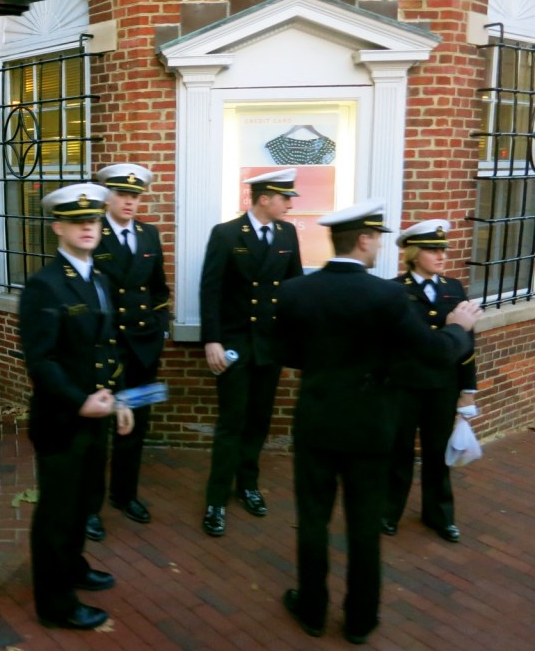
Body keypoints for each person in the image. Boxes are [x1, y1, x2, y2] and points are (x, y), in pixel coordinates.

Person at [274, 200, 482, 645]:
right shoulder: (387, 295)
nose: (378, 248)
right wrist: (457, 326)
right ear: (364, 239)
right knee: (364, 525)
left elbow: (286, 354)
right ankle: (360, 620)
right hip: (370, 427)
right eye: (376, 239)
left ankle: (311, 610)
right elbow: (434, 353)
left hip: (317, 422)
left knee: (312, 520)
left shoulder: (295, 291)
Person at [18, 182, 135, 630]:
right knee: (57, 512)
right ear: (58, 227)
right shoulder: (45, 286)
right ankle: (55, 603)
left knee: (85, 501)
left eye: (93, 220)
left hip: (97, 414)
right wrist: (80, 401)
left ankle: (72, 567)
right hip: (62, 420)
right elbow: (41, 361)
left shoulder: (100, 278)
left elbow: (109, 347)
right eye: (76, 221)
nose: (88, 227)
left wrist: (119, 396)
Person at [199, 168, 303, 537]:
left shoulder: (287, 234)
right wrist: (212, 340)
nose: (290, 204)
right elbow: (210, 289)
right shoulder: (227, 234)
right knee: (232, 422)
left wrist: (293, 340)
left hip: (269, 346)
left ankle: (248, 486)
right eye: (284, 198)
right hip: (235, 345)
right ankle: (215, 499)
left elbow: (293, 289)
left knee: (259, 421)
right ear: (264, 198)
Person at [84, 163, 169, 542]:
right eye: (122, 195)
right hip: (106, 350)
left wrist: (159, 330)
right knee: (98, 429)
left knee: (133, 425)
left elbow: (158, 290)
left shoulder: (149, 235)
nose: (130, 202)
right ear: (107, 197)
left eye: (135, 196)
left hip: (143, 349)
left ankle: (125, 494)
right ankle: (90, 507)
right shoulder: (91, 235)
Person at [382, 219, 478, 543]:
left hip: (442, 386)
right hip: (404, 386)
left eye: (442, 249)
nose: (441, 256)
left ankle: (440, 515)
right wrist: (450, 328)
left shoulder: (454, 289)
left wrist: (468, 390)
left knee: (438, 453)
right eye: (432, 250)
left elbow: (467, 343)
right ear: (413, 253)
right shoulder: (394, 291)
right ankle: (389, 511)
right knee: (399, 452)